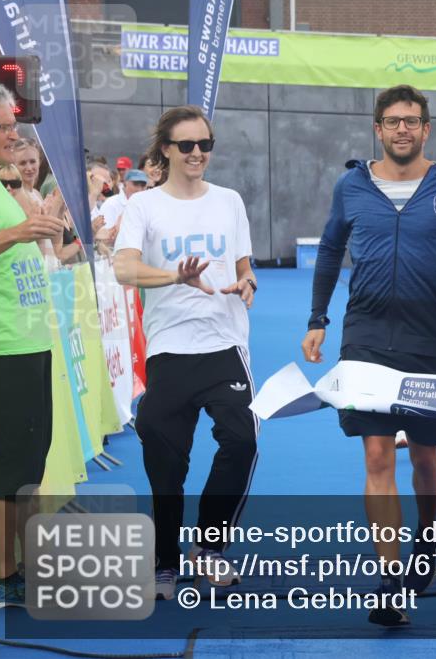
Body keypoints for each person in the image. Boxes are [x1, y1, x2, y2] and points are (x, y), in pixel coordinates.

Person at [301, 84, 436, 627]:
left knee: (425, 456)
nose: (403, 130)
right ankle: (390, 579)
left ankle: (426, 539)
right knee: (376, 456)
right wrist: (317, 319)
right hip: (363, 337)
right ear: (378, 128)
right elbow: (330, 250)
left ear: (426, 129)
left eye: (412, 121)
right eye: (393, 121)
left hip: (427, 340)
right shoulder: (352, 185)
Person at [114, 105, 258, 601]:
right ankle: (164, 561)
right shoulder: (145, 206)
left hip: (223, 343)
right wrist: (176, 276)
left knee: (242, 440)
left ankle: (210, 548)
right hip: (170, 347)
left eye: (205, 145)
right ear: (168, 150)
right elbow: (124, 270)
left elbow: (243, 263)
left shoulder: (230, 201)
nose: (198, 154)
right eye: (187, 146)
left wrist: (247, 281)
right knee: (165, 461)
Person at [0, 80, 64, 607]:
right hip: (0, 344)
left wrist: (41, 226)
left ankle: (28, 564)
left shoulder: (0, 183)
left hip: (31, 339)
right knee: (10, 461)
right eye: (2, 128)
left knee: (32, 457)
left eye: (14, 126)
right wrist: (16, 235)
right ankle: (4, 574)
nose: (13, 137)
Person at [12, 137, 43, 205]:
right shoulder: (17, 196)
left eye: (32, 161)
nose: (29, 168)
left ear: (39, 161)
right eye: (22, 163)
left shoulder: (36, 193)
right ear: (13, 165)